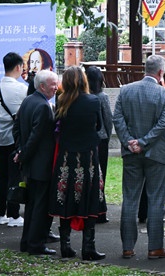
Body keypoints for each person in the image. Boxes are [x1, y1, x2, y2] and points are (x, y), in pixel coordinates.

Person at [113, 54, 165, 260]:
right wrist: (144, 142)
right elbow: (163, 124)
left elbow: (117, 119)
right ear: (160, 72)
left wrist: (130, 141)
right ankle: (155, 248)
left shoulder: (126, 90)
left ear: (144, 69)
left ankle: (127, 247)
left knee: (130, 199)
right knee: (156, 200)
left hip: (131, 152)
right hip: (157, 153)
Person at [49, 67, 106, 260]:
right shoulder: (93, 101)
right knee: (89, 197)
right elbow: (99, 126)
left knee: (65, 198)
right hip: (88, 156)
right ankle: (88, 247)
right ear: (83, 80)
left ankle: (65, 246)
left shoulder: (61, 101)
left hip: (67, 157)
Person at [13, 69, 58, 255]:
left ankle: (27, 243)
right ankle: (36, 245)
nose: (56, 88)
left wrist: (20, 151)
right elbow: (36, 137)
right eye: (53, 85)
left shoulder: (27, 101)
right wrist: (23, 153)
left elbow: (16, 129)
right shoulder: (42, 106)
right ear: (42, 86)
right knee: (39, 207)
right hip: (41, 165)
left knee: (32, 206)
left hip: (30, 165)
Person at [0, 52, 27, 228]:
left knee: (2, 176)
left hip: (1, 137)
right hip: (15, 138)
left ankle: (0, 213)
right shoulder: (21, 89)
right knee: (15, 176)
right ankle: (14, 215)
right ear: (18, 67)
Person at [85, 65, 113, 224]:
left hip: (88, 140)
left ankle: (89, 208)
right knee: (101, 175)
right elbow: (108, 120)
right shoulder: (102, 97)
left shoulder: (84, 96)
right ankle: (100, 210)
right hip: (101, 140)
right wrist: (107, 136)